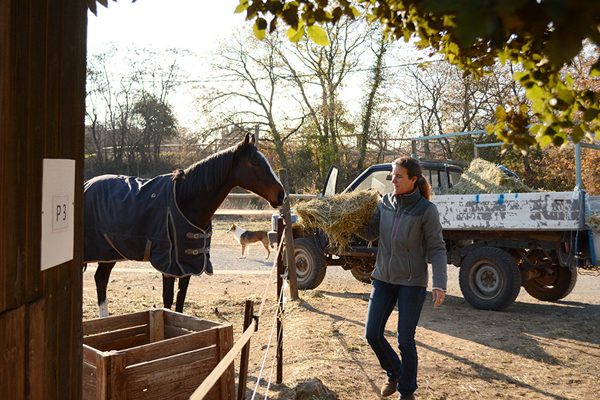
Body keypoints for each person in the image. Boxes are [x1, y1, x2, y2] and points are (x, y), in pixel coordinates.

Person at [358, 156, 447, 400]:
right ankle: (394, 371)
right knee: (372, 334)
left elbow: (438, 248)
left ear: (413, 180)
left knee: (405, 340)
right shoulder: (385, 202)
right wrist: (347, 221)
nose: (393, 180)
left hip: (412, 282)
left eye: (399, 176)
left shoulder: (426, 210)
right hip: (384, 278)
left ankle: (406, 393)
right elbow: (371, 233)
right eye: (392, 175)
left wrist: (440, 284)